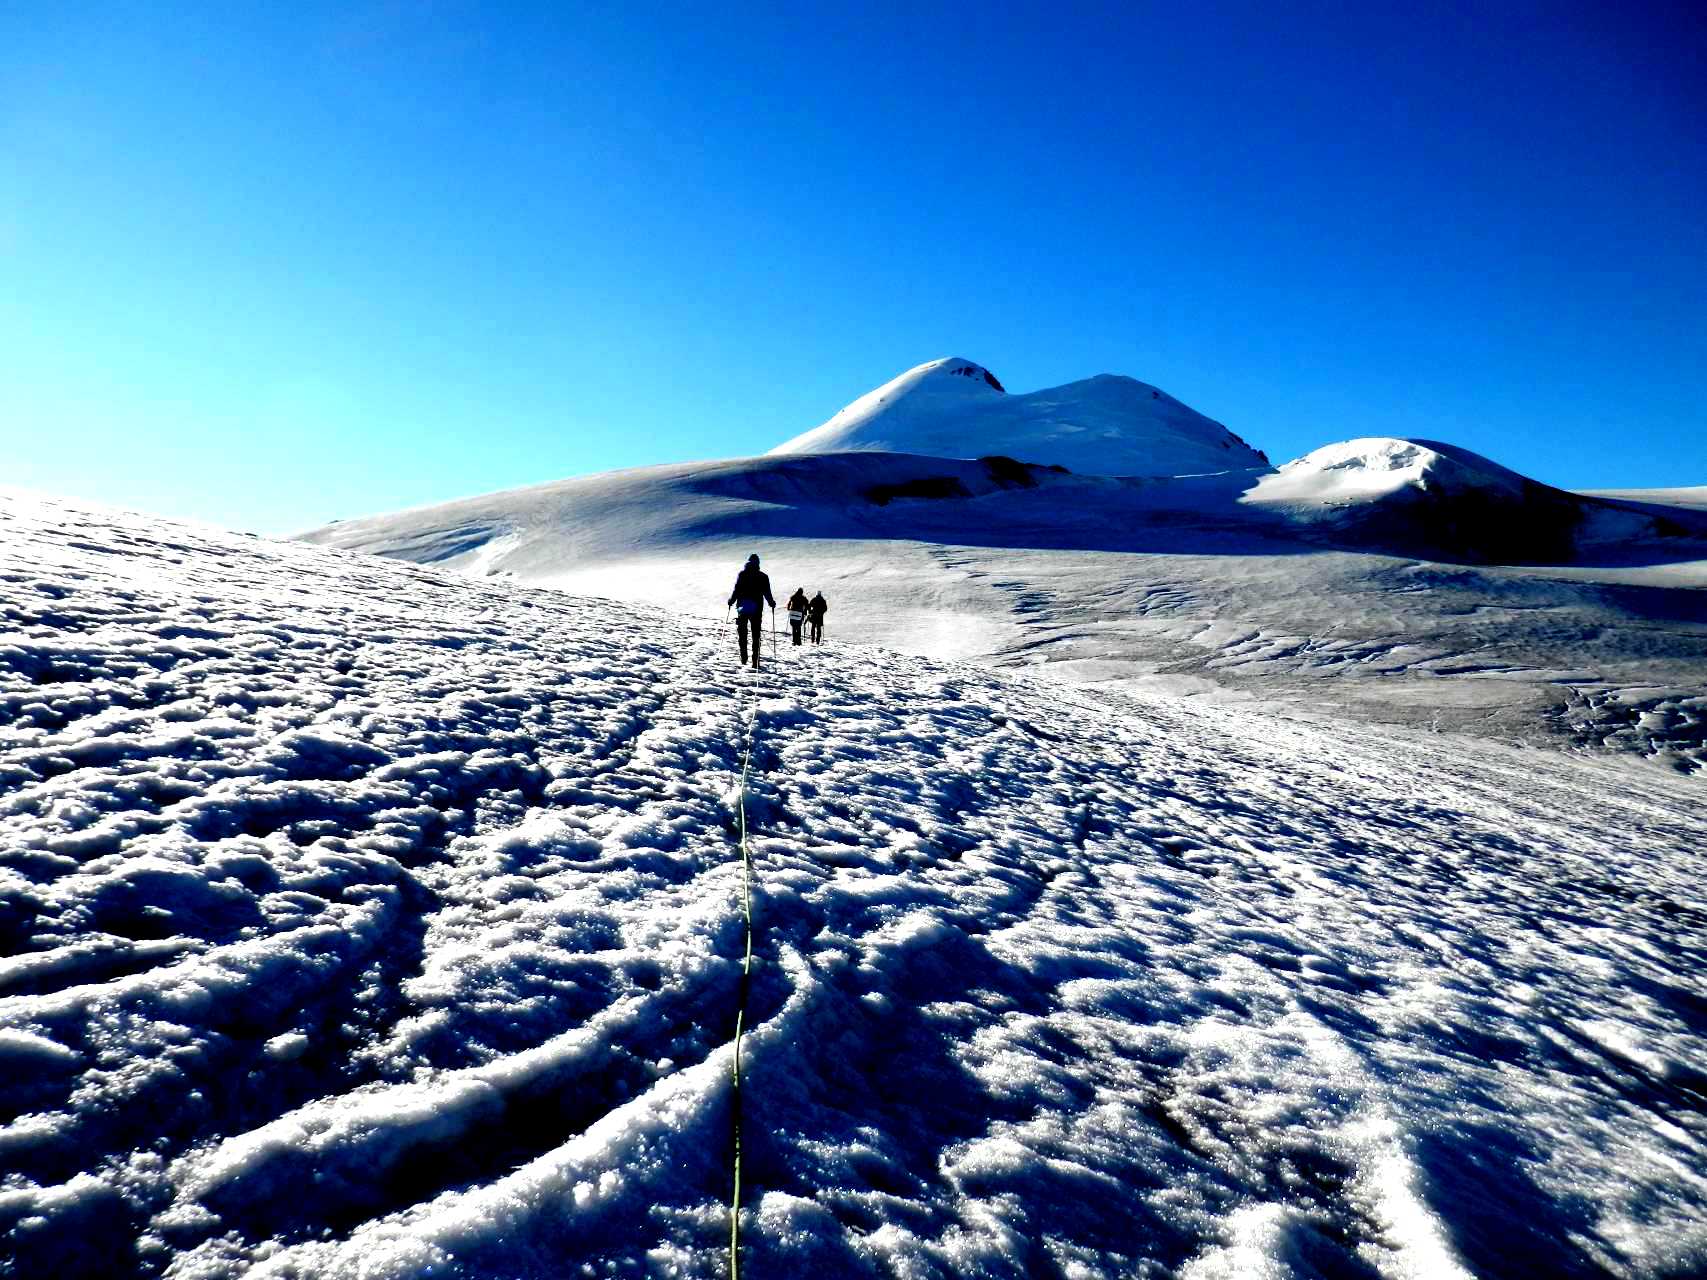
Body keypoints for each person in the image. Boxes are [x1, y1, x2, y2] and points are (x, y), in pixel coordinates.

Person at [727, 554, 775, 669]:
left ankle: (743, 658)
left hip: (742, 608)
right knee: (756, 635)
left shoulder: (742, 574)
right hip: (757, 610)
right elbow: (767, 592)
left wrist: (731, 601)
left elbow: (736, 589)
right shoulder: (763, 576)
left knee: (742, 634)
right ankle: (755, 661)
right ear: (758, 563)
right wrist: (771, 602)